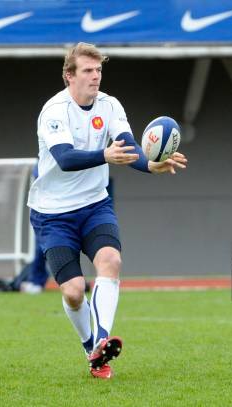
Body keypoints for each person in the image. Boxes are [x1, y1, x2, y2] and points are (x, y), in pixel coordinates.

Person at [27, 42, 187, 379]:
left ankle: (102, 340)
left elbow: (128, 148)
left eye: (98, 70)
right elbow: (66, 159)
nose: (95, 77)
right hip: (52, 214)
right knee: (72, 291)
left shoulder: (110, 105)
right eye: (87, 71)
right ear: (69, 76)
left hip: (94, 206)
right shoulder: (54, 110)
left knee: (110, 262)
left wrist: (153, 165)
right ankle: (90, 348)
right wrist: (104, 156)